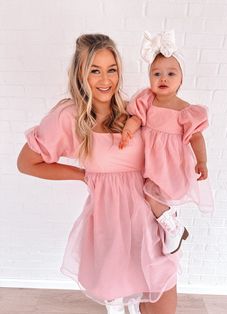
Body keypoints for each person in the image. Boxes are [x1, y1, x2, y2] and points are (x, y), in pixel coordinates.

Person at [17, 33, 180, 314]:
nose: (105, 80)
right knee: (117, 301)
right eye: (95, 70)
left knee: (162, 302)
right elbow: (27, 163)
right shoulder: (68, 117)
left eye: (111, 70)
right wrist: (82, 175)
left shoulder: (133, 110)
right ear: (81, 74)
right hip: (109, 224)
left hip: (150, 220)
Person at [119, 30, 214, 256]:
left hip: (169, 164)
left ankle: (174, 228)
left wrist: (202, 161)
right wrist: (127, 132)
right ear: (150, 78)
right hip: (145, 158)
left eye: (171, 74)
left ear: (181, 80)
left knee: (151, 196)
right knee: (141, 196)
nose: (163, 78)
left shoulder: (185, 110)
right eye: (157, 74)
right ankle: (166, 225)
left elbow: (197, 137)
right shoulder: (147, 100)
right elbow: (135, 118)